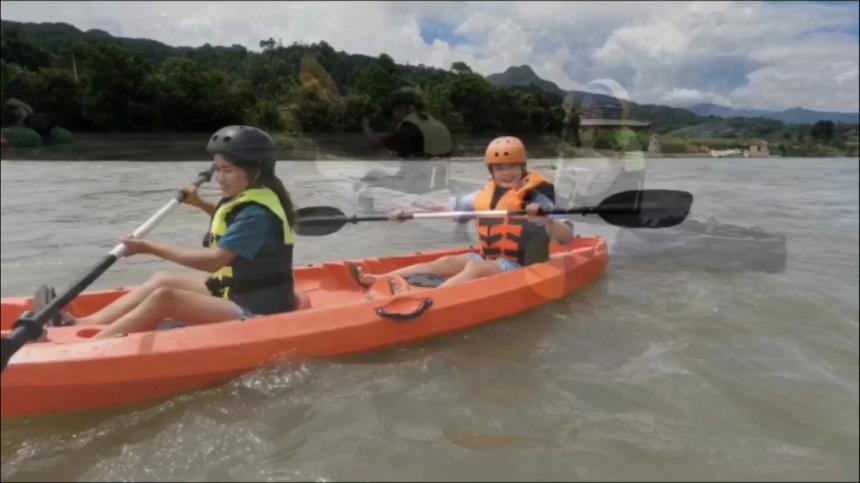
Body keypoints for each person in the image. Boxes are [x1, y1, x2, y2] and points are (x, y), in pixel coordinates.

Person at [56, 125, 305, 338]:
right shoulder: (250, 204)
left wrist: (148, 247)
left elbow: (214, 261)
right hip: (236, 292)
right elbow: (232, 228)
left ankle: (94, 345)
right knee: (163, 280)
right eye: (217, 169)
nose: (219, 178)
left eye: (227, 170)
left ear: (256, 172)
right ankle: (83, 325)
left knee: (166, 297)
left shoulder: (256, 213)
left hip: (258, 312)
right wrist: (200, 204)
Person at [356, 136, 576, 289]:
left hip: (522, 266)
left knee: (476, 267)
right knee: (444, 262)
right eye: (499, 168)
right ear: (492, 171)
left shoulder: (536, 197)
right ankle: (379, 278)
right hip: (490, 258)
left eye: (512, 167)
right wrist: (407, 213)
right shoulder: (484, 195)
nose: (506, 173)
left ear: (522, 168)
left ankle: (433, 298)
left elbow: (566, 237)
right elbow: (445, 208)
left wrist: (546, 219)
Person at [362, 86, 453, 159]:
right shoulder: (437, 123)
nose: (395, 113)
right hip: (438, 179)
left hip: (418, 179)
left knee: (373, 173)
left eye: (396, 108)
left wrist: (365, 125)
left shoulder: (409, 128)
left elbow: (375, 143)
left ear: (406, 107)